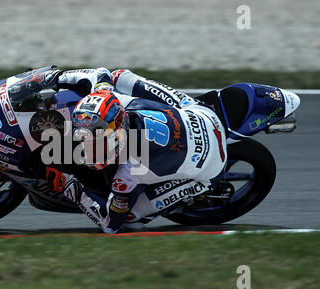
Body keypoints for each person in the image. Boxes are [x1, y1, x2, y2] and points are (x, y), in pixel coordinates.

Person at [40, 67, 228, 234]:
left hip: (212, 163)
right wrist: (50, 78)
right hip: (201, 114)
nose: (88, 147)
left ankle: (196, 189)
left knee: (131, 220)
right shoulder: (114, 99)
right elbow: (99, 73)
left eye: (96, 141)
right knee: (119, 76)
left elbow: (110, 225)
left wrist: (69, 187)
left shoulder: (129, 172)